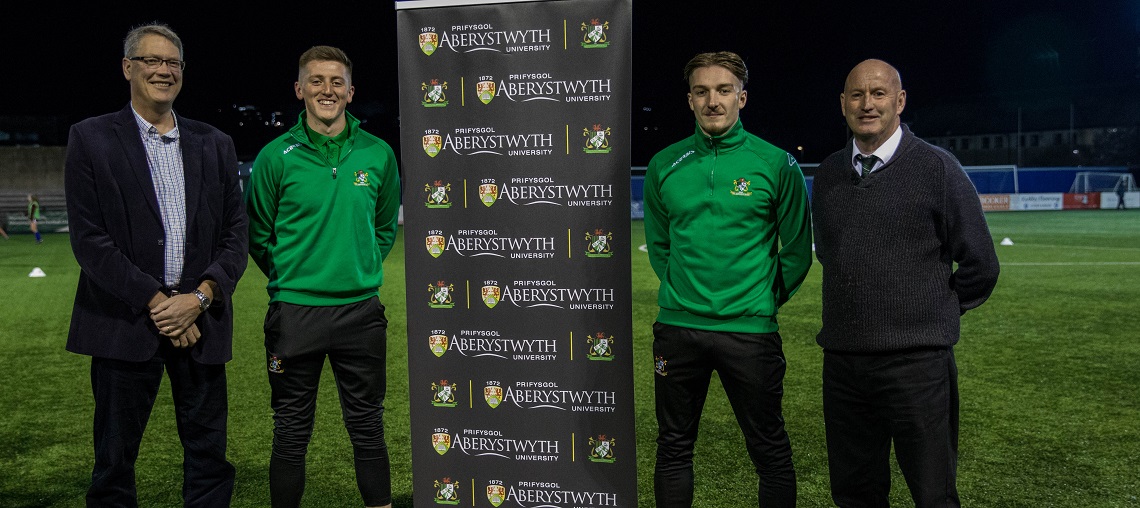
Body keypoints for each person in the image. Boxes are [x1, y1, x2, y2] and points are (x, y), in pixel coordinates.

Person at [62, 22, 248, 506]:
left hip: (200, 322)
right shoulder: (90, 138)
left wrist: (200, 298)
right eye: (152, 60)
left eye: (173, 63)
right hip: (124, 323)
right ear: (128, 68)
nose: (164, 70)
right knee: (114, 465)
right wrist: (159, 302)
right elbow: (90, 241)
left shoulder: (216, 143)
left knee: (210, 462)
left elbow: (236, 236)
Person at [811, 59, 1001, 508]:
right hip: (844, 363)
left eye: (878, 94)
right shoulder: (828, 174)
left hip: (917, 365)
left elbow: (982, 264)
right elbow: (831, 254)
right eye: (856, 95)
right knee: (855, 494)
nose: (867, 104)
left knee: (933, 493)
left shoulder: (937, 168)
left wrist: (936, 312)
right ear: (842, 104)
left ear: (899, 101)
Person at [643, 51, 812, 508]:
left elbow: (797, 251)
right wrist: (683, 293)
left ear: (742, 97)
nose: (712, 101)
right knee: (674, 447)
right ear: (690, 100)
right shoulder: (664, 164)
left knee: (770, 450)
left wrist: (760, 299)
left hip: (750, 332)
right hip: (679, 331)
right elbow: (660, 247)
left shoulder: (776, 163)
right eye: (702, 91)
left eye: (722, 90)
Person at [246, 45, 401, 508]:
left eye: (336, 82)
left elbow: (385, 227)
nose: (326, 90)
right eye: (316, 80)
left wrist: (357, 266)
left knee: (368, 426)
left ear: (350, 92)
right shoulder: (276, 156)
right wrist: (295, 277)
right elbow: (259, 234)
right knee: (291, 431)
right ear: (299, 89)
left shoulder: (378, 154)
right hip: (295, 314)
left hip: (361, 311)